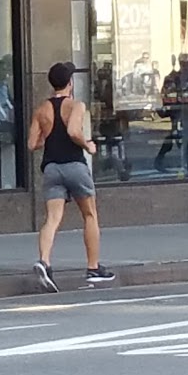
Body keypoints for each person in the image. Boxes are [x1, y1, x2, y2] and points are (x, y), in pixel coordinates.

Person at [27, 61, 115, 293]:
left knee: (52, 219)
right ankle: (93, 267)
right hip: (74, 165)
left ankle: (44, 261)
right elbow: (73, 131)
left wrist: (47, 137)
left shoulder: (41, 110)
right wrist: (88, 146)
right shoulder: (76, 105)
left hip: (51, 168)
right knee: (89, 214)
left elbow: (31, 144)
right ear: (70, 82)